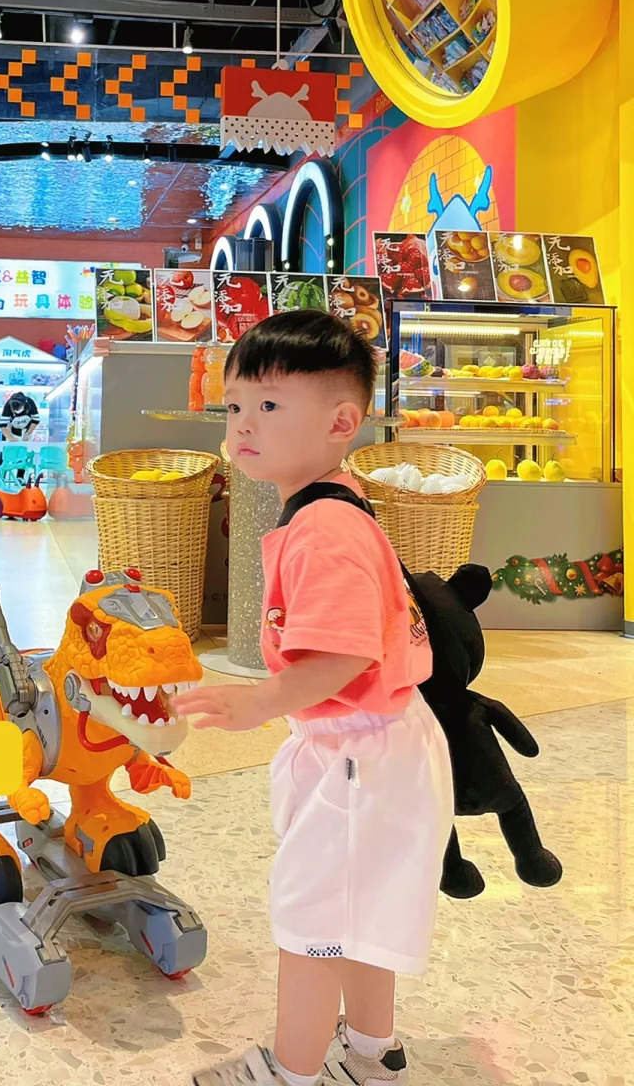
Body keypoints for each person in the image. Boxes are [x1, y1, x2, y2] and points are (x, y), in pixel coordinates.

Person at [176, 311, 452, 1086]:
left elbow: (343, 653)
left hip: (358, 754)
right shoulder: (331, 504)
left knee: (314, 925)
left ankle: (290, 1072)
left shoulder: (324, 526)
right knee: (354, 915)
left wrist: (259, 702)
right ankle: (371, 1052)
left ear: (340, 422)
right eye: (235, 405)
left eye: (269, 405)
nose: (243, 424)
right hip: (379, 744)